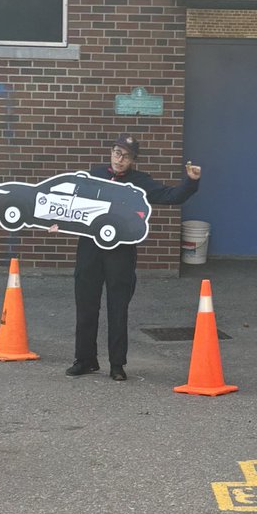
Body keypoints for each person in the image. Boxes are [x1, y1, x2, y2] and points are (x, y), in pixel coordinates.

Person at [66, 134, 201, 381]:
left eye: (126, 156)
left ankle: (117, 364)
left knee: (118, 308)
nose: (120, 159)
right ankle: (84, 359)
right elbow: (71, 204)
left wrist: (190, 182)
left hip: (121, 252)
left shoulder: (140, 182)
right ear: (111, 153)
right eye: (117, 153)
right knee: (86, 306)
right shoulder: (93, 174)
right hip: (90, 250)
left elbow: (170, 196)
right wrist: (58, 221)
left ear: (133, 160)